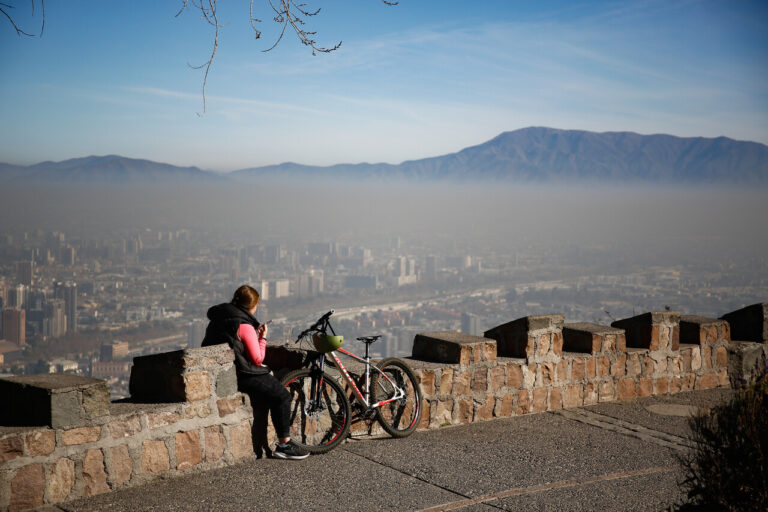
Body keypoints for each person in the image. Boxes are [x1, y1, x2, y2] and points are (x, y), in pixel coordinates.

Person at [201, 285, 309, 460]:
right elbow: (257, 359)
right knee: (282, 396)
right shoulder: (243, 325)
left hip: (220, 374)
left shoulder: (217, 320)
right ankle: (284, 444)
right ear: (253, 305)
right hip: (243, 374)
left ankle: (283, 443)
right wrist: (262, 338)